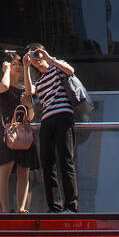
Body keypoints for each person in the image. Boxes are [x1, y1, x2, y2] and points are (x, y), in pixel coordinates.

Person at [26, 43, 79, 214]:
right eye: (32, 56)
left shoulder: (56, 67)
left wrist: (49, 58)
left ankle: (71, 205)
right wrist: (27, 67)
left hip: (63, 116)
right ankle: (55, 206)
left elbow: (70, 71)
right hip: (47, 120)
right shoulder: (38, 80)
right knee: (47, 163)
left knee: (66, 160)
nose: (36, 59)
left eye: (36, 54)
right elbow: (29, 91)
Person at [0, 52, 38, 214]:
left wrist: (26, 67)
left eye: (19, 64)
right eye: (14, 64)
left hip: (24, 131)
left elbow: (31, 113)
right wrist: (6, 69)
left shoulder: (24, 89)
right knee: (5, 169)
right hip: (9, 132)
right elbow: (4, 87)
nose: (17, 67)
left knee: (24, 170)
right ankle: (6, 208)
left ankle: (21, 207)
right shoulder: (3, 84)